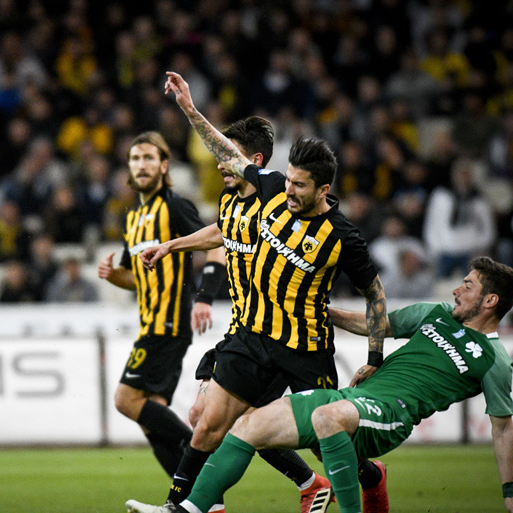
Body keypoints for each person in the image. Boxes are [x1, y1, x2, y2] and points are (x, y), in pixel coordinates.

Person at [127, 72, 388, 513]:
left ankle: (365, 477)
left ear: (323, 190)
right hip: (251, 335)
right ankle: (180, 507)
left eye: (299, 186)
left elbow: (375, 295)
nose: (288, 191)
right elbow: (226, 157)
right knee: (209, 421)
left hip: (305, 346)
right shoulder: (268, 189)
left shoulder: (342, 237)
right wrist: (189, 108)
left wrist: (375, 358)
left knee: (324, 441)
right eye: (288, 181)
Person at [127, 256, 513, 513]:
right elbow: (375, 324)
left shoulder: (494, 359)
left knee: (328, 419)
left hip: (391, 415)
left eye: (467, 286)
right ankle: (187, 510)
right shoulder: (437, 314)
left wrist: (510, 494)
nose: (456, 290)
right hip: (356, 398)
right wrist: (319, 311)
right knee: (247, 424)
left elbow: (503, 429)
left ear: (490, 300)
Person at [97, 131, 226, 481]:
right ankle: (193, 496)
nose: (141, 165)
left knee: (125, 400)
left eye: (149, 158)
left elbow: (215, 245)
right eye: (135, 159)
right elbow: (135, 277)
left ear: (164, 165)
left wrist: (204, 298)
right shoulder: (132, 219)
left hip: (168, 325)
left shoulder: (175, 206)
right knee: (151, 418)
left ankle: (203, 453)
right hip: (150, 323)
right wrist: (114, 276)